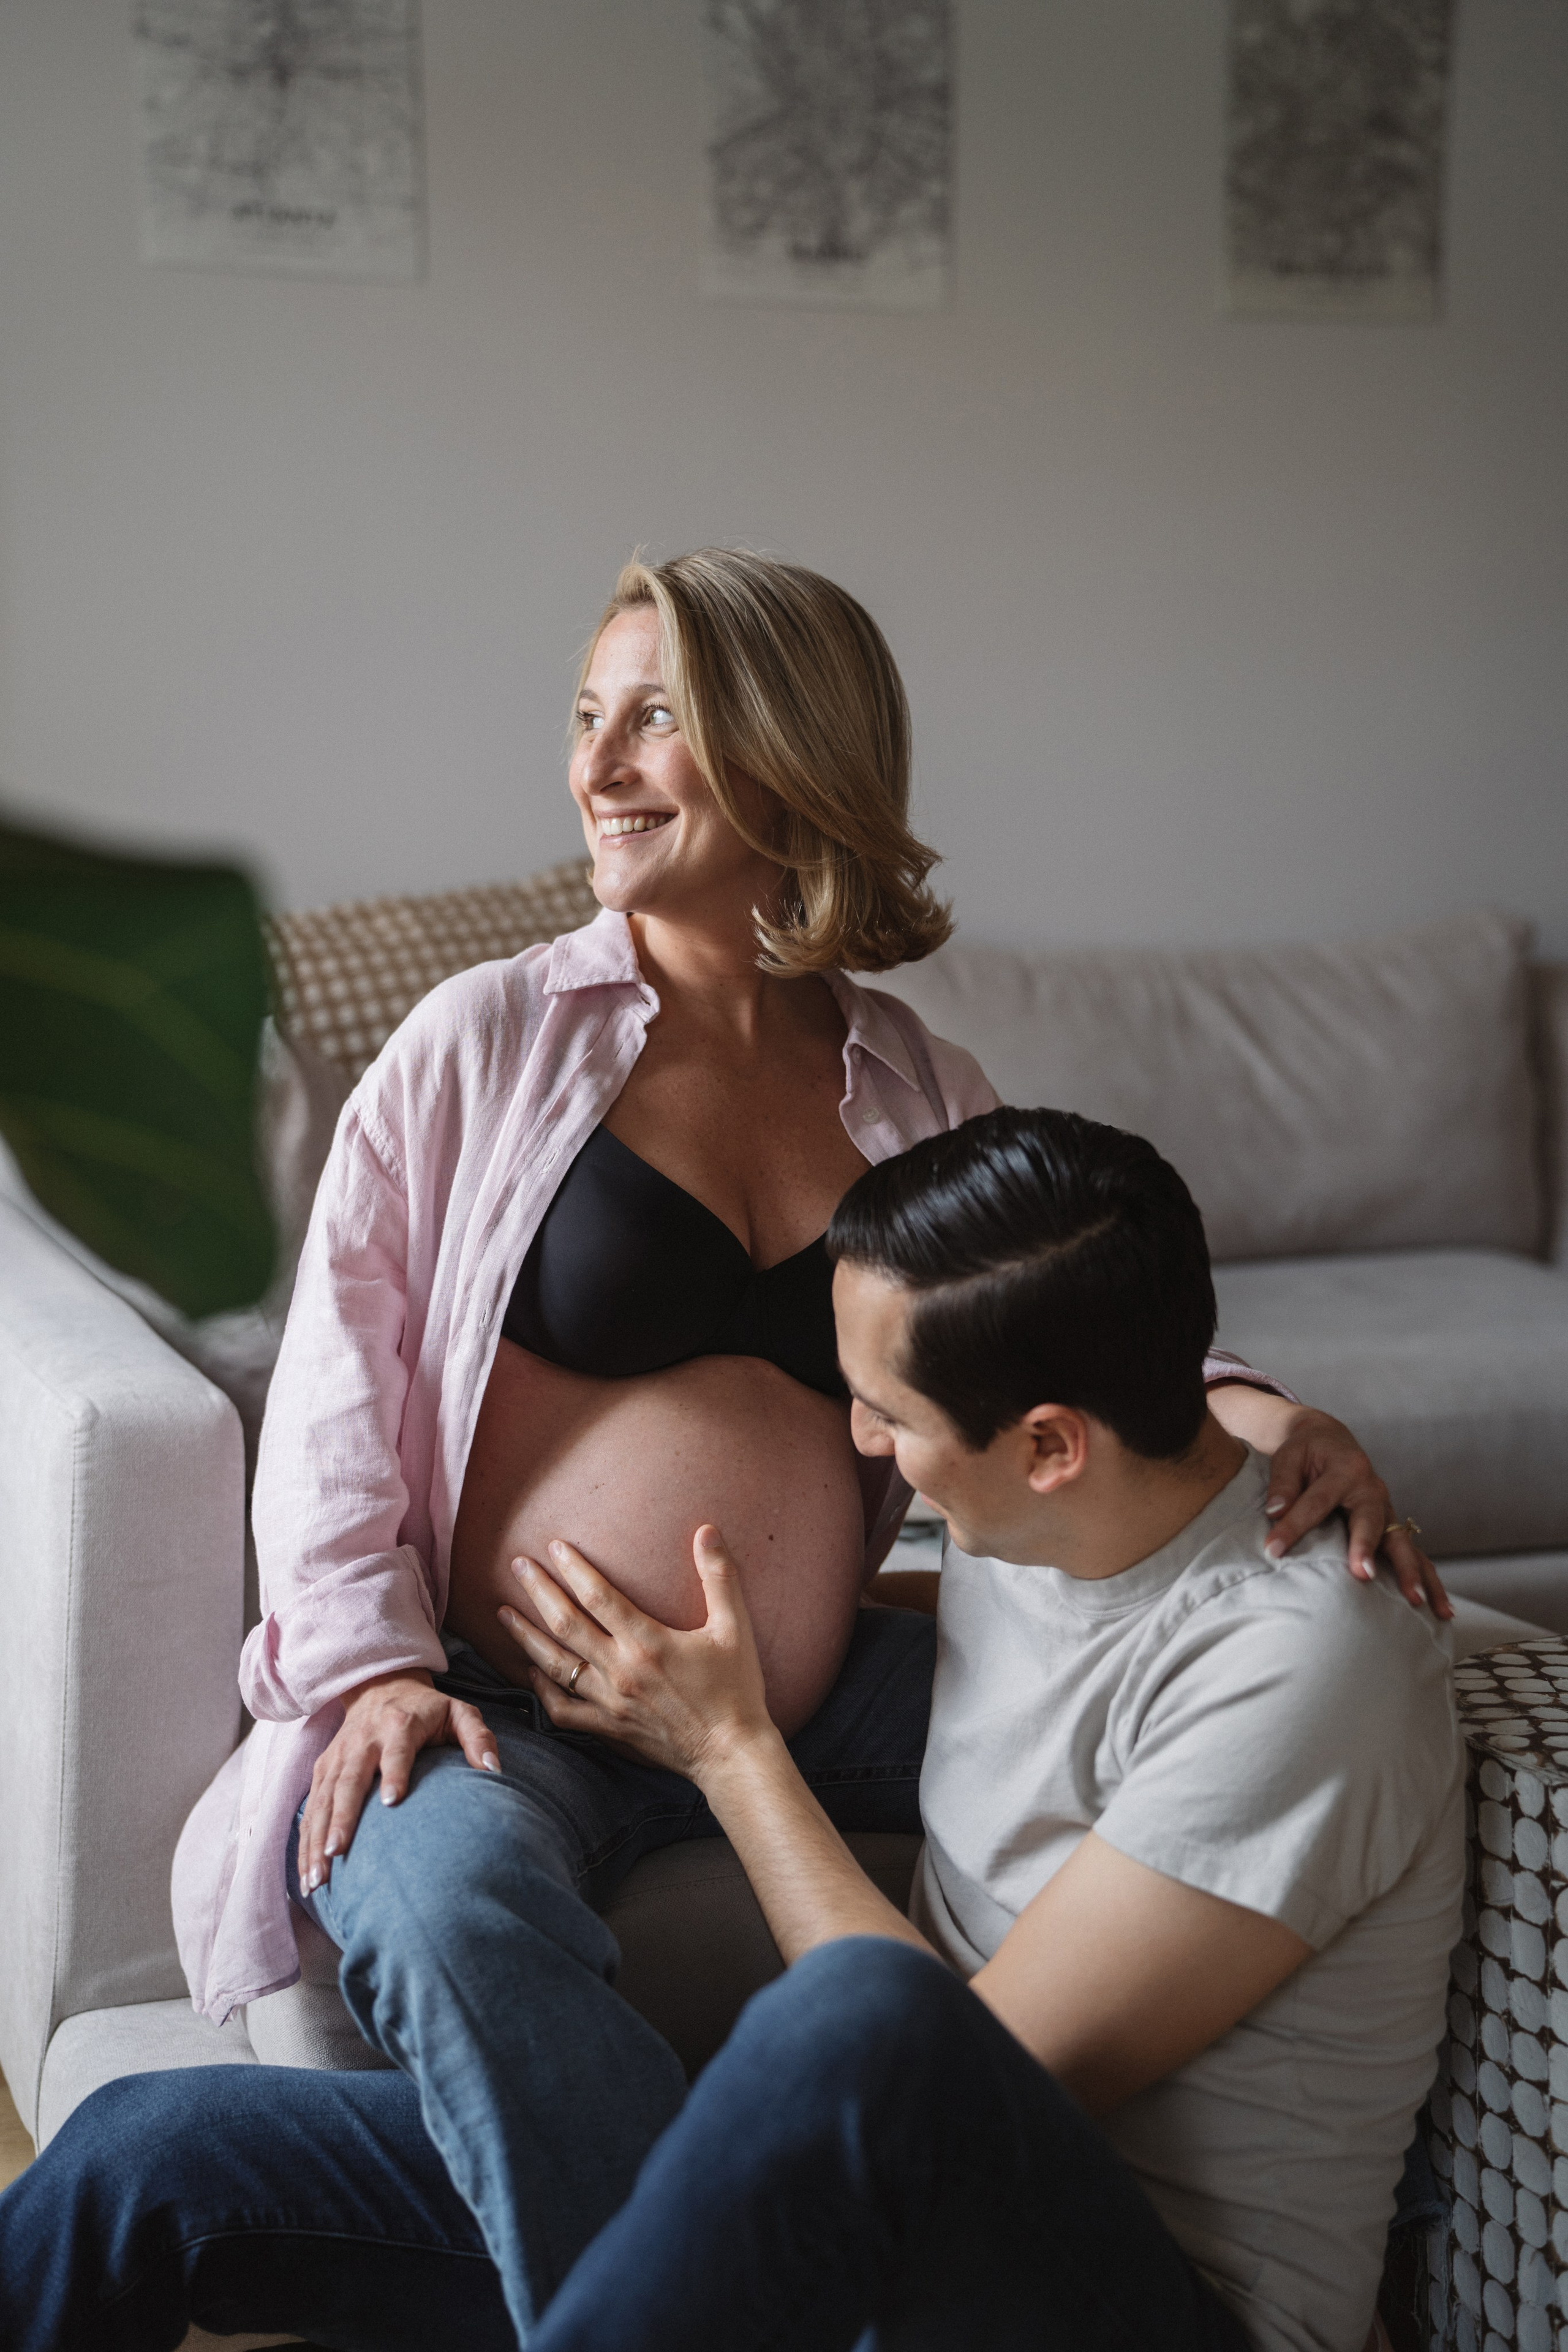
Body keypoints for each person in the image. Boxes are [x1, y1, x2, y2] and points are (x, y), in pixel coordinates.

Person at [164, 552, 1438, 2342]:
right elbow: (335, 1387)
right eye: (587, 717)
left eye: (657, 716)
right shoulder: (486, 1045)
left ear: (790, 747)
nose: (599, 765)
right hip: (501, 1703)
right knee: (445, 1916)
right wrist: (369, 1663)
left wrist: (1280, 1418)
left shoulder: (909, 1078)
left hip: (815, 1697)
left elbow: (1079, 1341)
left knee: (1192, 1727)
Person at [0, 1108, 1459, 2352]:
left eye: (884, 1412)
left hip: (1125, 2292)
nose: (860, 1446)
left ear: (1049, 1443)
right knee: (150, 2157)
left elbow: (958, 2075)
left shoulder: (1302, 1670)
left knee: (866, 2016)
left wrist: (733, 1750)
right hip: (870, 2210)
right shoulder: (1042, 1523)